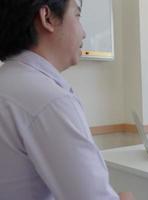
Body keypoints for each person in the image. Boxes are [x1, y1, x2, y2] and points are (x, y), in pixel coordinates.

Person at [0, 0, 134, 199]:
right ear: (47, 18)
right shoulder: (49, 101)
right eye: (77, 16)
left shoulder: (7, 82)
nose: (85, 33)